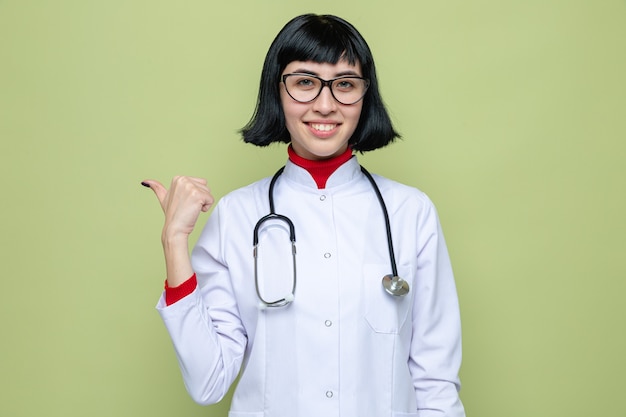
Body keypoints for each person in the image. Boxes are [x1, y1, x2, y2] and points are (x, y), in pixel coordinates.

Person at [142, 14, 465, 417]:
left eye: (345, 84)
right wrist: (174, 240)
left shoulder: (410, 213)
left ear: (366, 96)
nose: (326, 105)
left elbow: (435, 383)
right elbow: (209, 382)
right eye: (305, 82)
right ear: (277, 91)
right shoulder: (238, 216)